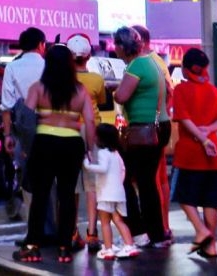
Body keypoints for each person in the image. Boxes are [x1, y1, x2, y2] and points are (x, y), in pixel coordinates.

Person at [13, 44, 94, 264]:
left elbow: (27, 121)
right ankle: (65, 248)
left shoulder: (38, 88)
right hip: (72, 145)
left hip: (44, 144)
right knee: (66, 197)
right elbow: (89, 121)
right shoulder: (80, 90)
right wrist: (90, 149)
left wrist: (27, 149)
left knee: (40, 196)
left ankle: (32, 246)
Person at [112, 26, 169, 248]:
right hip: (158, 126)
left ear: (122, 46)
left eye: (115, 45)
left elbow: (122, 95)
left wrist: (115, 92)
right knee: (147, 182)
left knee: (126, 179)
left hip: (143, 131)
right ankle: (156, 234)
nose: (114, 49)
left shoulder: (136, 66)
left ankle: (138, 230)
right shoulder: (151, 62)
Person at [172, 48, 217, 259]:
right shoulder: (215, 92)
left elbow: (184, 119)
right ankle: (211, 246)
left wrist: (202, 138)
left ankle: (201, 231)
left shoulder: (181, 90)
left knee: (183, 195)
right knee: (210, 200)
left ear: (185, 70)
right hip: (214, 156)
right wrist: (209, 131)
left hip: (190, 152)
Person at [1, 27, 48, 227]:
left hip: (24, 130)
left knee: (27, 177)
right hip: (49, 126)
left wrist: (7, 135)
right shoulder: (48, 65)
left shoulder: (12, 67)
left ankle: (33, 230)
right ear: (41, 45)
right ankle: (53, 227)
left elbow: (6, 105)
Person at [132, 24, 174, 243]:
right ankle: (163, 227)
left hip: (150, 127)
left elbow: (169, 92)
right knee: (157, 179)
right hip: (159, 124)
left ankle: (160, 229)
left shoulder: (146, 63)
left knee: (153, 180)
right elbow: (170, 92)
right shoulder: (156, 63)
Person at [66, 33, 106, 253]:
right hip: (93, 131)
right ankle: (92, 233)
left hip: (70, 130)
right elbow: (101, 101)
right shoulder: (97, 80)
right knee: (92, 185)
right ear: (88, 55)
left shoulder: (65, 80)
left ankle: (72, 232)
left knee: (71, 185)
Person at [83, 123, 139, 260]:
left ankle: (108, 249)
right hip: (118, 193)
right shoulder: (116, 154)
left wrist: (87, 165)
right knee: (119, 220)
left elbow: (102, 169)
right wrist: (118, 183)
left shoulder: (103, 153)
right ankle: (129, 245)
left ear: (100, 139)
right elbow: (123, 170)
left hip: (106, 194)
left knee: (105, 222)